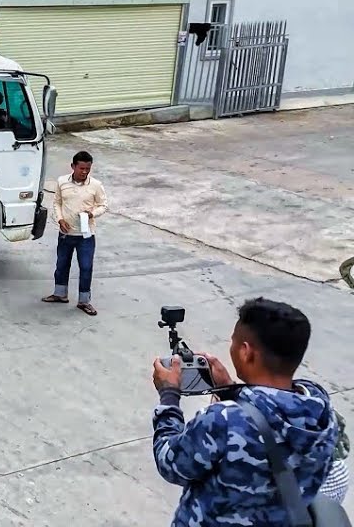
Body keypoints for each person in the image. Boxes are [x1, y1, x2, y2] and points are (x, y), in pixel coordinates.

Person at [151, 297, 338, 526]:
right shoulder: (321, 409)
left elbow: (170, 463)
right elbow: (271, 410)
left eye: (234, 342)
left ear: (246, 352)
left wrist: (169, 395)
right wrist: (230, 388)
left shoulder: (224, 420)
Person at [41, 150, 107, 316]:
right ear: (73, 166)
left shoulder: (96, 185)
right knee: (62, 264)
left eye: (87, 169)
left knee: (86, 267)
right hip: (65, 233)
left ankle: (84, 301)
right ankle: (60, 294)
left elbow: (103, 205)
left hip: (86, 235)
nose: (84, 172)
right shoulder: (62, 182)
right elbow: (57, 203)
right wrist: (60, 220)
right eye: (81, 168)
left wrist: (92, 214)